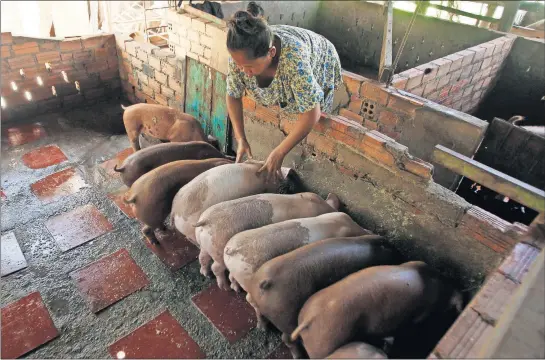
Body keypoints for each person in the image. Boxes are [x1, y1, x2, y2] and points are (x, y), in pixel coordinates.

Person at [226, 2, 342, 183]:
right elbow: (233, 94)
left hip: (320, 54)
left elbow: (313, 112)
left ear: (271, 52)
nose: (242, 71)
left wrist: (279, 152)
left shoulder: (294, 58)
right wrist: (240, 138)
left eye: (249, 66)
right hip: (280, 61)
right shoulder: (242, 56)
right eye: (239, 65)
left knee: (314, 112)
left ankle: (307, 149)